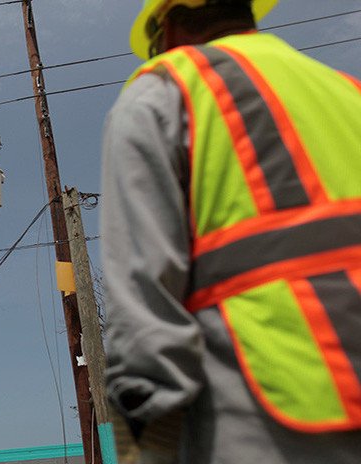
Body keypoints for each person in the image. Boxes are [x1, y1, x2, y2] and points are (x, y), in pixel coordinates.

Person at [100, 0, 361, 463]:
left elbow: (144, 307)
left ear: (172, 25)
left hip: (276, 415)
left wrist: (148, 450)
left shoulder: (166, 87)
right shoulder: (346, 89)